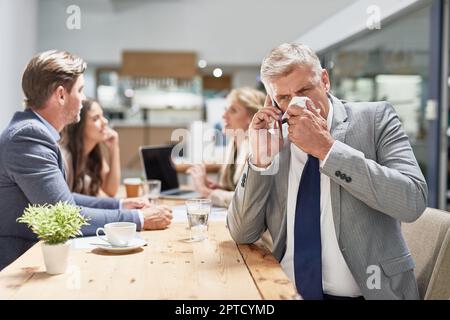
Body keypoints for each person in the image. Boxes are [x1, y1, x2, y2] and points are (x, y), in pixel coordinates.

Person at [227, 43, 428, 300]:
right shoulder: (274, 138)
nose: (297, 103)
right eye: (284, 98)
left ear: (324, 80)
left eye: (304, 90)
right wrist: (260, 160)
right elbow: (242, 232)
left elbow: (412, 201)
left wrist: (328, 149)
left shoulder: (376, 119)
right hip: (282, 291)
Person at [0, 50, 172, 271]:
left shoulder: (33, 132)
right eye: (80, 90)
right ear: (61, 95)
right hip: (18, 267)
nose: (83, 99)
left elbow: (62, 198)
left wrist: (119, 204)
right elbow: (65, 215)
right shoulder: (28, 137)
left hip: (37, 260)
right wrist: (138, 218)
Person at [187, 87, 265, 208]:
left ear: (252, 118)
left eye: (233, 110)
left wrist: (205, 191)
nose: (224, 116)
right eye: (225, 110)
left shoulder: (257, 151)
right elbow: (236, 190)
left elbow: (247, 200)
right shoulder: (234, 144)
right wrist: (218, 188)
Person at [60, 99, 120, 197]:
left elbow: (111, 191)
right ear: (80, 125)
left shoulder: (93, 154)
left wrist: (114, 149)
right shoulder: (66, 158)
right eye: (96, 118)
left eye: (102, 116)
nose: (105, 121)